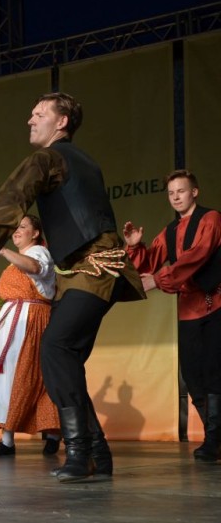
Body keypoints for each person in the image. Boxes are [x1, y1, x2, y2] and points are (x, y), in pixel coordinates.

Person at [0, 92, 144, 482]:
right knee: (63, 359)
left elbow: (14, 195)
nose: (30, 119)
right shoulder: (85, 161)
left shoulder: (49, 158)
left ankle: (80, 453)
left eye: (39, 114)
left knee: (55, 348)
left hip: (95, 267)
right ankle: (97, 454)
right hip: (85, 272)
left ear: (61, 122)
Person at [123, 169, 221, 461]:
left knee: (214, 373)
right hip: (188, 309)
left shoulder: (211, 218)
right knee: (192, 376)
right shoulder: (169, 231)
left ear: (194, 192)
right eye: (171, 193)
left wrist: (159, 279)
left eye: (181, 191)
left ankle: (214, 440)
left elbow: (198, 255)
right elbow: (148, 264)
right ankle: (215, 437)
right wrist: (135, 246)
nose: (176, 197)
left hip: (215, 303)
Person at [0, 215, 60, 457]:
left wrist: (4, 251)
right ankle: (8, 439)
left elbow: (35, 268)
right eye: (15, 228)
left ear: (36, 233)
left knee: (28, 374)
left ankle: (51, 432)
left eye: (23, 227)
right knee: (8, 375)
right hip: (13, 318)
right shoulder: (15, 261)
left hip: (31, 318)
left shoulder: (39, 253)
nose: (16, 231)